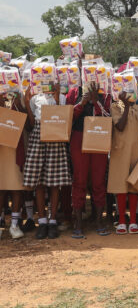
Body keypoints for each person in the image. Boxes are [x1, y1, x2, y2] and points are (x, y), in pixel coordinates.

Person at [23, 84, 71, 239]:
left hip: (55, 135)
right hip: (37, 135)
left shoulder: (62, 97)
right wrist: (27, 101)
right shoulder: (36, 97)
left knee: (54, 181)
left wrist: (57, 101)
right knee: (39, 181)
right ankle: (42, 221)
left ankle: (52, 220)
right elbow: (31, 123)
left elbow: (63, 119)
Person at [66, 82, 111, 238]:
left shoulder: (104, 92)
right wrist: (82, 103)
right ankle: (78, 223)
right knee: (79, 180)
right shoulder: (74, 92)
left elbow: (108, 117)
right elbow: (67, 118)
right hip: (78, 137)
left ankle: (99, 221)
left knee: (98, 180)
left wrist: (96, 101)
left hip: (99, 135)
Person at [107, 91, 138, 235]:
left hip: (136, 150)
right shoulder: (115, 106)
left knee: (134, 186)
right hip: (120, 150)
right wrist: (125, 105)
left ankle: (134, 221)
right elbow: (120, 126)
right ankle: (122, 221)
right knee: (120, 185)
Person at [0, 93, 26, 239]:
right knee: (1, 189)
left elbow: (26, 122)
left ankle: (14, 225)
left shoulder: (19, 96)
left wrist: (18, 104)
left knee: (17, 188)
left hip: (16, 149)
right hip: (1, 150)